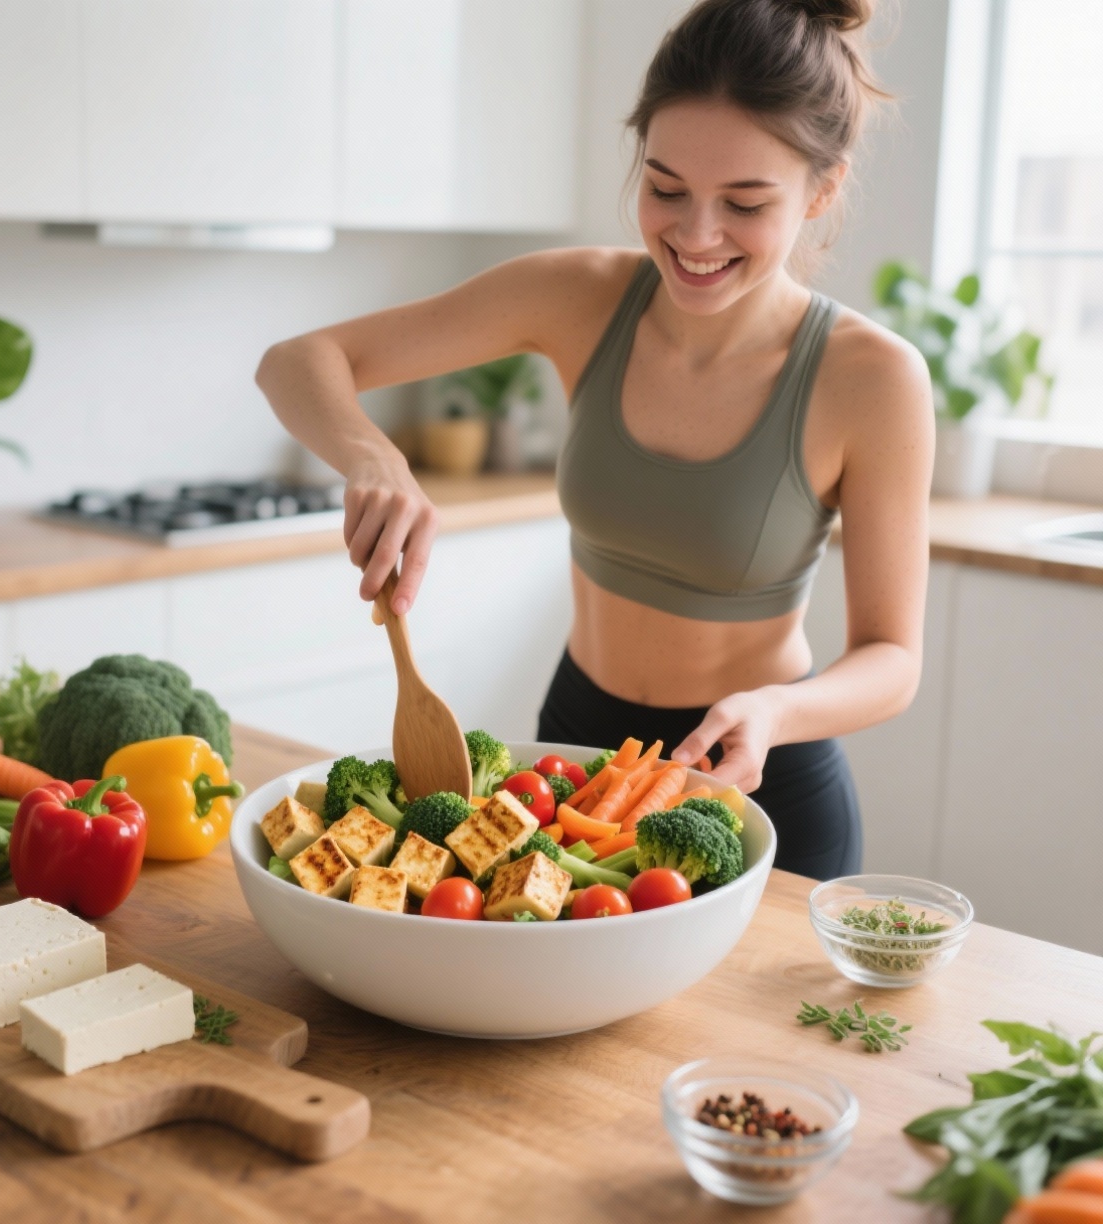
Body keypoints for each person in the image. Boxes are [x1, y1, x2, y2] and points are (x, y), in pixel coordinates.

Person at [255, 0, 933, 880]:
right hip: (572, 756)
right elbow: (297, 361)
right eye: (664, 188)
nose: (694, 236)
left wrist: (773, 711)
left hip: (754, 776)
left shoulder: (872, 378)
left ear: (824, 188)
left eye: (745, 202)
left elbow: (894, 659)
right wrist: (375, 456)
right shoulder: (578, 297)